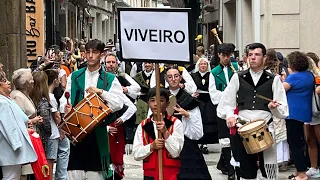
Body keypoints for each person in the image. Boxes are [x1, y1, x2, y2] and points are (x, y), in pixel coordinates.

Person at [217, 43, 288, 180]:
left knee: (268, 167)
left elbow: (283, 109)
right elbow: (226, 103)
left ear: (265, 57)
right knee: (245, 168)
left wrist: (275, 108)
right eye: (250, 55)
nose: (253, 58)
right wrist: (230, 115)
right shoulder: (238, 77)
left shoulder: (273, 79)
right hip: (243, 127)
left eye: (257, 54)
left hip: (265, 127)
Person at [62, 39, 124, 180]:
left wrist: (100, 92)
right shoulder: (74, 76)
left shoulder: (110, 79)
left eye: (94, 52)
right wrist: (67, 108)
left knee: (95, 175)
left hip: (98, 133)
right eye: (87, 52)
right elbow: (64, 99)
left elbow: (119, 103)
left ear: (101, 55)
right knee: (74, 175)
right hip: (76, 134)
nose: (90, 56)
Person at [165, 67, 211, 180]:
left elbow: (198, 132)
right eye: (170, 77)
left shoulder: (188, 99)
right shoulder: (160, 97)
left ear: (181, 78)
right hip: (165, 141)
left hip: (186, 143)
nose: (173, 79)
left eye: (176, 76)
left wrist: (186, 114)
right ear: (166, 79)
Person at [132, 87, 184, 180]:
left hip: (171, 175)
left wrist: (165, 133)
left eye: (161, 100)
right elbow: (136, 154)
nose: (156, 104)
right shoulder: (143, 126)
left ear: (167, 103)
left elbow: (176, 152)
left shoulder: (176, 123)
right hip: (150, 174)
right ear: (148, 103)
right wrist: (151, 146)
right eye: (152, 100)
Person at [10, 68, 49, 180]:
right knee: (24, 171)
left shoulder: (24, 95)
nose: (33, 82)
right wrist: (33, 120)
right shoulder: (17, 96)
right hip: (26, 137)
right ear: (27, 83)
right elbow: (16, 119)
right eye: (31, 80)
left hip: (31, 136)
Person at [0, 72, 37, 180]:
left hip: (12, 146)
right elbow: (8, 126)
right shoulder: (3, 103)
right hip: (11, 147)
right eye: (4, 81)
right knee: (11, 177)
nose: (8, 82)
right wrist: (17, 144)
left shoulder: (6, 99)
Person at [283, 51, 314, 180]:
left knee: (294, 143)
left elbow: (281, 89)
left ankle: (301, 173)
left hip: (293, 113)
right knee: (301, 142)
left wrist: (282, 79)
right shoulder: (309, 75)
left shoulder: (293, 77)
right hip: (305, 112)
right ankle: (299, 169)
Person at [210, 43, 238, 180]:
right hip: (222, 110)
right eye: (224, 55)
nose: (227, 58)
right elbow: (214, 95)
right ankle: (230, 171)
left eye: (229, 55)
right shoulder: (213, 72)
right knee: (225, 140)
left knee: (237, 139)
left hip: (237, 109)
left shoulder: (237, 69)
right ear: (219, 55)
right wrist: (229, 93)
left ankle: (236, 166)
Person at [45, 69, 71, 180]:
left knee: (61, 151)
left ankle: (61, 176)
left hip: (53, 131)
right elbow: (56, 116)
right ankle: (59, 177)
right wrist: (62, 128)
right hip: (54, 132)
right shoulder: (50, 97)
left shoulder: (47, 95)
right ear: (55, 80)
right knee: (52, 159)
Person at [191, 58, 218, 154]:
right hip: (198, 100)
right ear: (198, 65)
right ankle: (197, 141)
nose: (203, 66)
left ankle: (205, 143)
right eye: (201, 64)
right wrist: (193, 93)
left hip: (208, 100)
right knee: (198, 120)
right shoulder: (193, 76)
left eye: (205, 64)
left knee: (207, 120)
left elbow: (212, 87)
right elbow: (191, 86)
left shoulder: (211, 75)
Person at [304, 52, 320, 178]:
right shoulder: (304, 76)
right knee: (310, 139)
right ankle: (313, 167)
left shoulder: (317, 75)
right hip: (307, 111)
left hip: (317, 111)